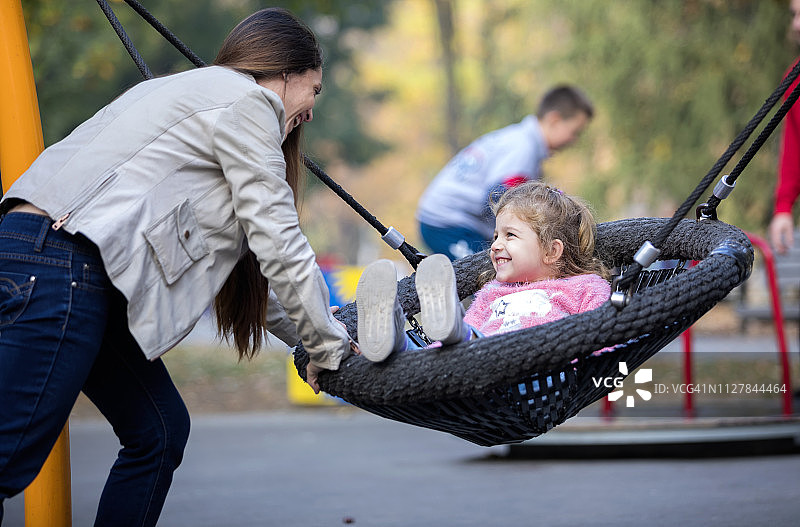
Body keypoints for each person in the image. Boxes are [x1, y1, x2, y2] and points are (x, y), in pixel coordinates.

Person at [0, 8, 353, 526]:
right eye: (314, 90)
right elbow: (279, 239)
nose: (312, 111)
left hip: (55, 261)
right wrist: (328, 347)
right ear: (283, 71)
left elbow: (256, 271)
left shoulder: (181, 93)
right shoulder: (248, 103)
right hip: (62, 267)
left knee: (159, 429)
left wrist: (312, 337)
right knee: (8, 457)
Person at [358, 181, 610, 361]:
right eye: (496, 235)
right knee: (449, 345)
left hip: (532, 369)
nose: (496, 245)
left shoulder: (584, 287)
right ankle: (393, 337)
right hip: (474, 365)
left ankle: (441, 330)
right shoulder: (493, 292)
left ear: (551, 251)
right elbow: (451, 337)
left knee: (466, 340)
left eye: (510, 235)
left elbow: (608, 335)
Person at [416, 85, 594, 261]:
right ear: (554, 120)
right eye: (574, 132)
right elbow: (500, 198)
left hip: (457, 220)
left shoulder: (519, 138)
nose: (574, 140)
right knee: (482, 275)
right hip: (447, 221)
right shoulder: (523, 149)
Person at [768, 0, 800, 254]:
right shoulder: (794, 79)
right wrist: (783, 208)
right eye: (794, 15)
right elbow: (794, 144)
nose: (796, 24)